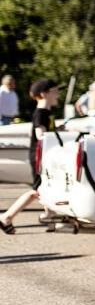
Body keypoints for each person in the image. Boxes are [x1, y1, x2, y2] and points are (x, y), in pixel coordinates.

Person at [0, 79, 58, 235]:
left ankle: (50, 217)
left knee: (46, 187)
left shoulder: (46, 112)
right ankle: (7, 216)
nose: (58, 94)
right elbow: (41, 135)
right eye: (55, 91)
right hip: (40, 157)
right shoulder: (41, 113)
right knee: (37, 190)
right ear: (44, 94)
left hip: (43, 156)